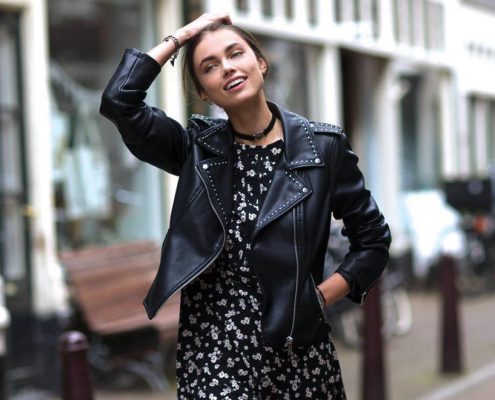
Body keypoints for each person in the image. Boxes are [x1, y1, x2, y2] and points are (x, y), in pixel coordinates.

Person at [100, 12, 391, 399]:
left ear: (261, 63)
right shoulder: (196, 150)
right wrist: (183, 35)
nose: (227, 68)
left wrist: (320, 298)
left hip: (298, 349)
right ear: (204, 92)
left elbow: (372, 240)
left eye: (235, 53)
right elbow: (120, 101)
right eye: (209, 66)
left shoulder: (323, 148)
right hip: (214, 354)